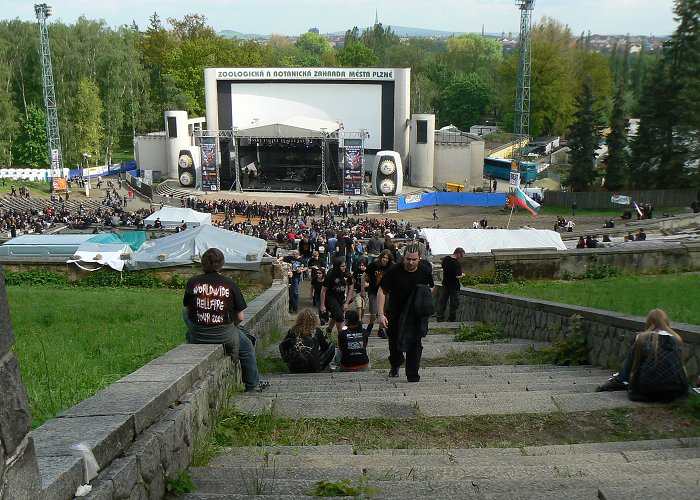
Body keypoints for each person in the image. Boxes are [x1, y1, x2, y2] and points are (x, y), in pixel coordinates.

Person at [182, 248, 268, 392]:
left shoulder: (193, 282)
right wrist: (230, 326)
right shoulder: (229, 284)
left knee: (184, 309)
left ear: (203, 263)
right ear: (222, 263)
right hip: (223, 333)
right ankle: (252, 384)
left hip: (197, 334)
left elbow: (188, 310)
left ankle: (198, 328)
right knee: (246, 347)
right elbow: (240, 317)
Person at [596, 309, 688, 402]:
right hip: (676, 390)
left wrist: (611, 384)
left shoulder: (643, 338)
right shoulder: (677, 339)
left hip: (647, 389)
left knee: (629, 378)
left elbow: (630, 366)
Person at [377, 243, 435, 382]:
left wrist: (424, 296)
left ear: (419, 258)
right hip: (396, 313)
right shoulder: (393, 270)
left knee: (415, 344)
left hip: (415, 315)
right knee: (395, 344)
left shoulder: (425, 271)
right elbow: (382, 291)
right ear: (403, 258)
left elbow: (432, 287)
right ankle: (396, 364)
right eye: (408, 259)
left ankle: (412, 375)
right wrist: (381, 314)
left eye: (414, 259)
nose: (411, 262)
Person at [279, 308, 335, 373]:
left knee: (284, 345)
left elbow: (284, 345)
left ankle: (291, 363)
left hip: (294, 368)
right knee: (330, 345)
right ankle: (315, 362)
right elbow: (325, 347)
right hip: (314, 367)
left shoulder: (293, 331)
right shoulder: (317, 331)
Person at [362, 250, 394, 339]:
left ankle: (381, 329)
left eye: (386, 258)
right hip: (373, 291)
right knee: (373, 312)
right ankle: (370, 325)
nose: (384, 260)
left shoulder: (391, 267)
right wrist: (363, 289)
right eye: (383, 257)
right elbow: (363, 276)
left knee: (383, 312)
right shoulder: (373, 265)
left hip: (385, 292)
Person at [320, 257, 354, 334]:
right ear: (337, 267)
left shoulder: (346, 274)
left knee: (335, 315)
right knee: (339, 316)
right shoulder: (330, 276)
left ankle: (329, 330)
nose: (344, 268)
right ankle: (341, 334)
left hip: (341, 297)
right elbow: (323, 290)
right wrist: (322, 305)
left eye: (345, 266)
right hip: (330, 297)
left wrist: (347, 302)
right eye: (342, 266)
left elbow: (351, 287)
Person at [437, 248, 465, 322]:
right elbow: (458, 276)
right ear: (458, 254)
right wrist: (463, 275)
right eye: (461, 256)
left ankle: (440, 318)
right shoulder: (456, 263)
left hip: (445, 284)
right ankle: (451, 319)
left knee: (443, 302)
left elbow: (443, 268)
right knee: (453, 304)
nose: (461, 258)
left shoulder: (446, 259)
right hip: (454, 286)